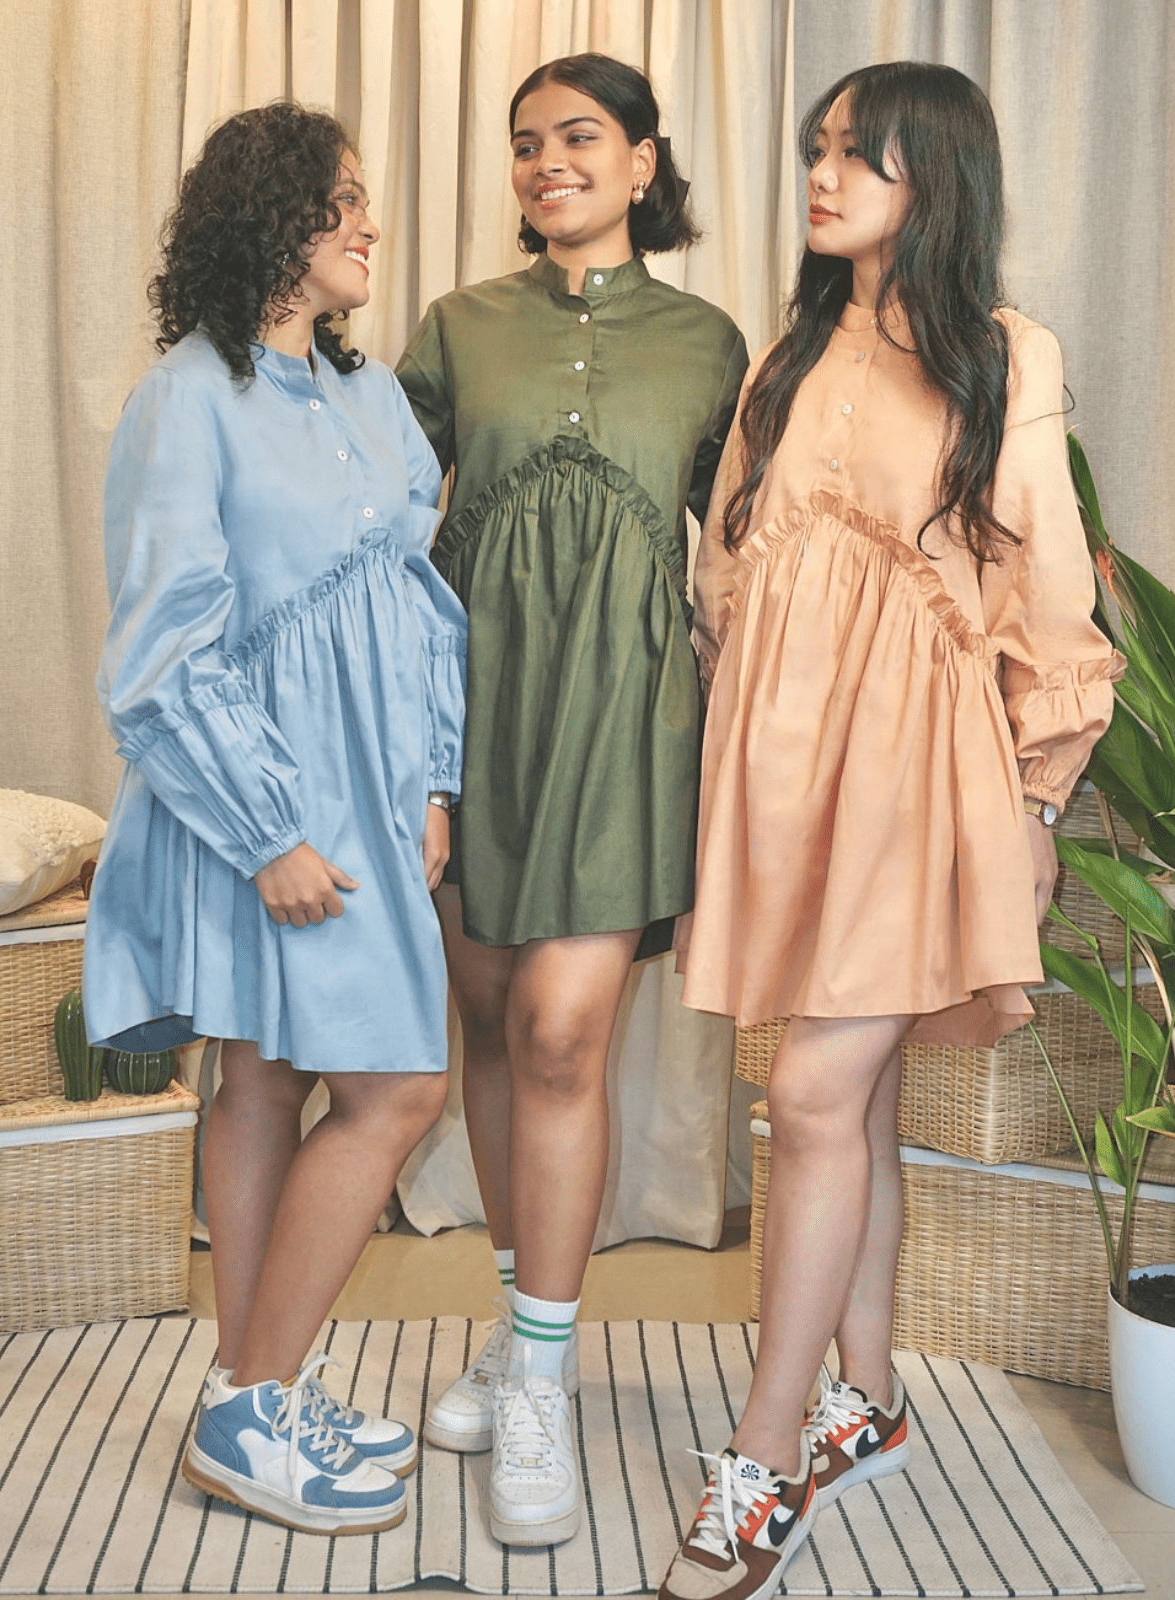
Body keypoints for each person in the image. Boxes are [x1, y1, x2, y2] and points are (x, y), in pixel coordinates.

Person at [661, 60, 1123, 1599]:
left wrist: (1041, 793)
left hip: (922, 777)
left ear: (940, 177)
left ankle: (764, 1456)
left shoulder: (1005, 353)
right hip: (789, 779)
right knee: (846, 1105)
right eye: (818, 148)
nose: (824, 174)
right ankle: (866, 1403)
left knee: (806, 1095)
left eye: (862, 154)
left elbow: (1049, 580)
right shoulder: (787, 356)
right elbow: (730, 579)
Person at [82, 102, 467, 1538]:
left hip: (369, 796)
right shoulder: (187, 398)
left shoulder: (368, 397)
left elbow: (419, 611)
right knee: (373, 1091)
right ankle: (253, 1406)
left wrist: (433, 779)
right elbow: (161, 655)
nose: (370, 224)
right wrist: (267, 833)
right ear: (272, 217)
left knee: (275, 1080)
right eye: (341, 201)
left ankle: (250, 1394)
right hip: (266, 809)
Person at [396, 53, 748, 1547]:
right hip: (471, 717)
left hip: (626, 727)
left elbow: (749, 552)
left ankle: (541, 1385)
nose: (549, 163)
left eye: (581, 137)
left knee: (558, 1034)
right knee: (488, 1025)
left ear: (644, 159)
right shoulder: (458, 326)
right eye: (528, 143)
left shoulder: (712, 343)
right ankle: (516, 1326)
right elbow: (373, 517)